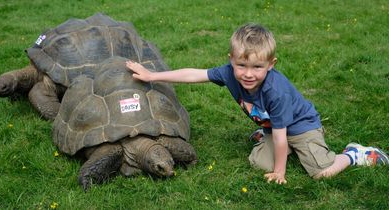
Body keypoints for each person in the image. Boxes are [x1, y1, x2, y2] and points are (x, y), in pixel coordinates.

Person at [125, 23, 389, 184]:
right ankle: (264, 133)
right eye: (241, 65)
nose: (247, 74)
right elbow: (193, 74)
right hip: (273, 127)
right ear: (231, 60)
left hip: (300, 127)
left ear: (270, 65)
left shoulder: (276, 91)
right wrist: (151, 75)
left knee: (320, 173)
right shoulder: (229, 74)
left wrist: (280, 173)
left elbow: (283, 136)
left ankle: (353, 155)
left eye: (257, 67)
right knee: (258, 163)